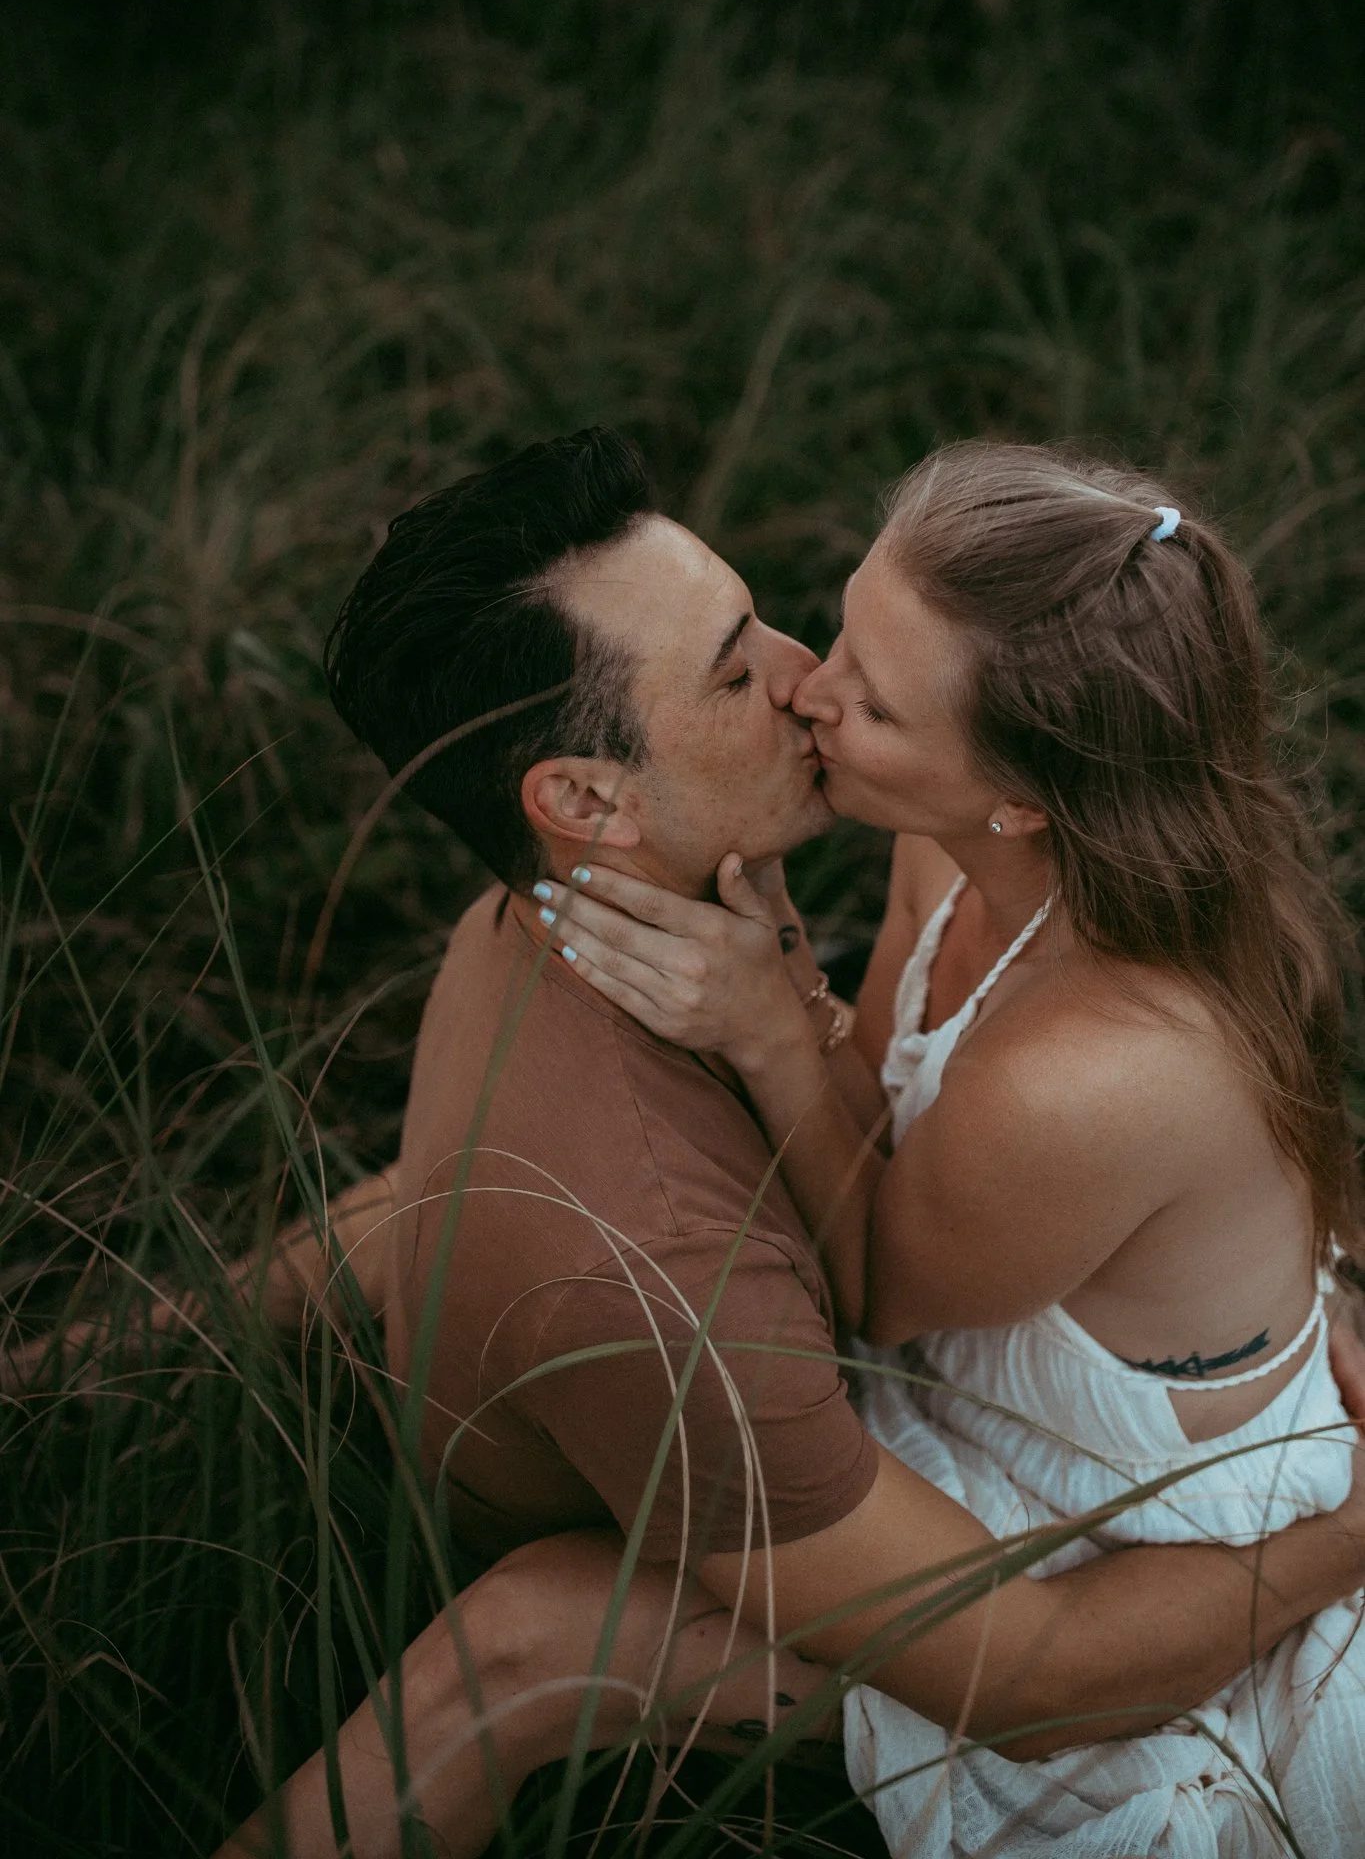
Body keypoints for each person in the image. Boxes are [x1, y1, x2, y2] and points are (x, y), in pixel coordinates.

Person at [208, 430, 1365, 1859]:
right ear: (583, 802)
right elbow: (890, 1145)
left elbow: (908, 1233)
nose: (806, 684)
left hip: (1114, 1490)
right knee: (522, 1593)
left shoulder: (586, 927)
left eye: (827, 669)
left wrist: (776, 1023)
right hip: (909, 1373)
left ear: (1021, 793)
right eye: (738, 665)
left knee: (526, 1595)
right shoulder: (955, 863)